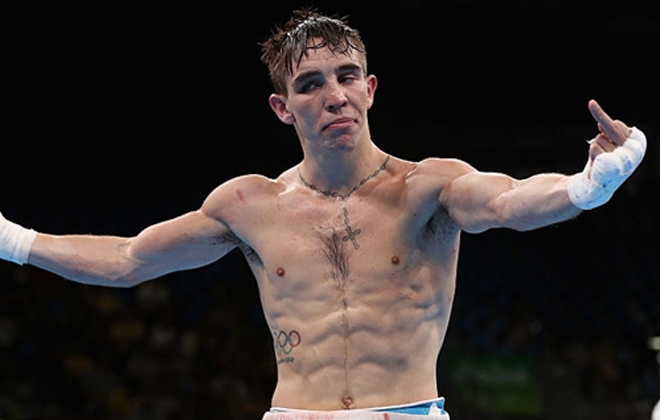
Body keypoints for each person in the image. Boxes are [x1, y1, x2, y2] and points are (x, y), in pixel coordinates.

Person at [0, 9, 648, 420]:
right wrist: (13, 240)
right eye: (310, 84)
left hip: (409, 411)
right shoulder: (248, 205)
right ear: (284, 109)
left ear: (370, 89)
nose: (333, 95)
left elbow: (510, 204)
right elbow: (127, 259)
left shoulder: (428, 187)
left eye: (347, 76)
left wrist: (591, 183)